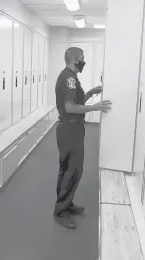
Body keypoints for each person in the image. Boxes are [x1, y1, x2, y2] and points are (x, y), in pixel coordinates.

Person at [53, 47, 112, 229]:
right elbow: (70, 107)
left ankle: (66, 202)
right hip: (70, 130)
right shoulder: (69, 78)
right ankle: (61, 211)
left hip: (70, 129)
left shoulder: (69, 77)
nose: (83, 61)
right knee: (73, 170)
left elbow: (76, 102)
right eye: (82, 59)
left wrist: (91, 93)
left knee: (67, 169)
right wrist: (95, 107)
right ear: (73, 59)